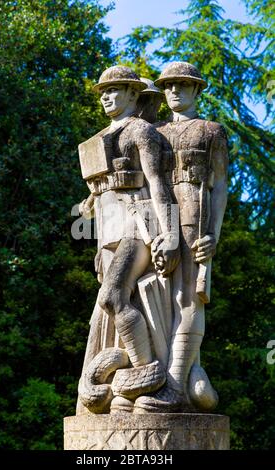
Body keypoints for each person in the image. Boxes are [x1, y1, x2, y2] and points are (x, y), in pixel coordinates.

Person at [77, 66, 179, 414]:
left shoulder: (141, 131)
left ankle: (149, 376)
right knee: (112, 305)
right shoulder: (99, 137)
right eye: (103, 91)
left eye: (115, 90)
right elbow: (99, 199)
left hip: (141, 221)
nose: (106, 96)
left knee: (113, 295)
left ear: (133, 95)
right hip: (108, 229)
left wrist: (170, 235)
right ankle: (126, 380)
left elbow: (158, 185)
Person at [134, 61, 228, 413]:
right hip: (157, 220)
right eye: (169, 85)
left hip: (193, 218)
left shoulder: (211, 131)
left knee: (188, 299)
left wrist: (213, 237)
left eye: (182, 85)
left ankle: (175, 384)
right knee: (154, 298)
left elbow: (219, 189)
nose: (174, 90)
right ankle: (173, 375)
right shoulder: (151, 131)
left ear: (196, 90)